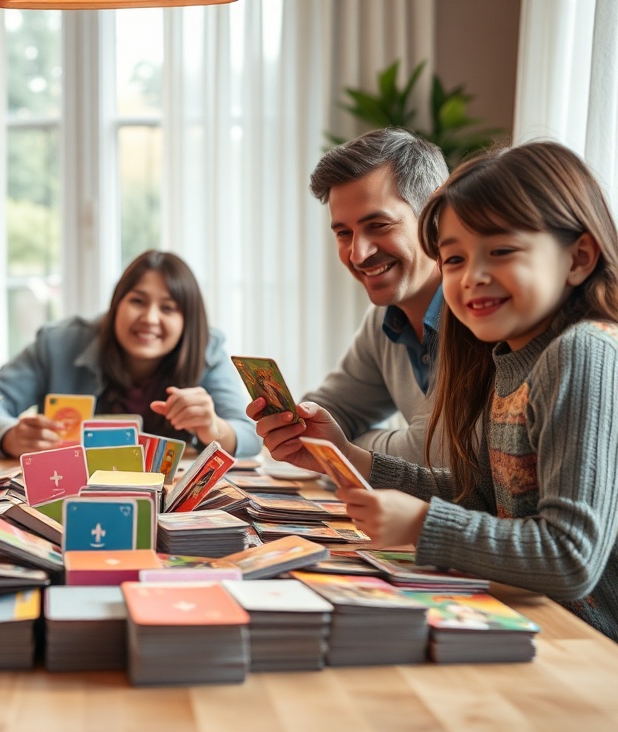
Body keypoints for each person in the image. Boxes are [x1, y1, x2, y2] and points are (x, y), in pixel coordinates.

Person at [252, 141, 618, 641]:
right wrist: (350, 458)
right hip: (535, 622)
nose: (473, 277)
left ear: (578, 258)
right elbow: (482, 499)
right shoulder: (507, 355)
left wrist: (425, 524)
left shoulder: (583, 351)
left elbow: (569, 557)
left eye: (502, 251)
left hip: (592, 647)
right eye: (454, 259)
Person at [0, 249, 262, 459]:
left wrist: (213, 428)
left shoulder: (207, 349)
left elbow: (250, 435)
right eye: (138, 301)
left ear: (188, 321)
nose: (150, 318)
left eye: (168, 308)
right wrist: (9, 436)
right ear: (117, 303)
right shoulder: (61, 342)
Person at [302, 127, 449, 465]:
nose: (358, 254)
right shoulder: (385, 320)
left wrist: (345, 447)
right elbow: (320, 418)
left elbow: (437, 455)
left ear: (434, 216)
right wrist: (331, 440)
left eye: (378, 225)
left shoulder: (477, 313)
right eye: (343, 233)